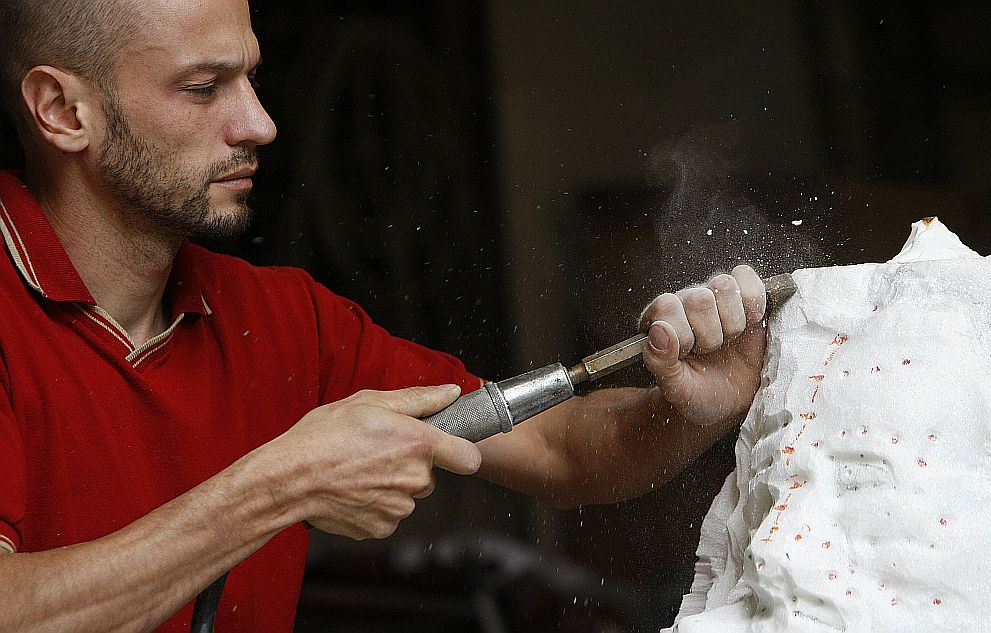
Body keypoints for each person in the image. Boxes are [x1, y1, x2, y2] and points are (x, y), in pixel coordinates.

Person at [0, 0, 768, 631]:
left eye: (252, 79)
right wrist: (278, 486)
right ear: (64, 110)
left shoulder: (278, 317)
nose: (260, 124)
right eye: (204, 88)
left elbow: (560, 453)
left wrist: (689, 408)